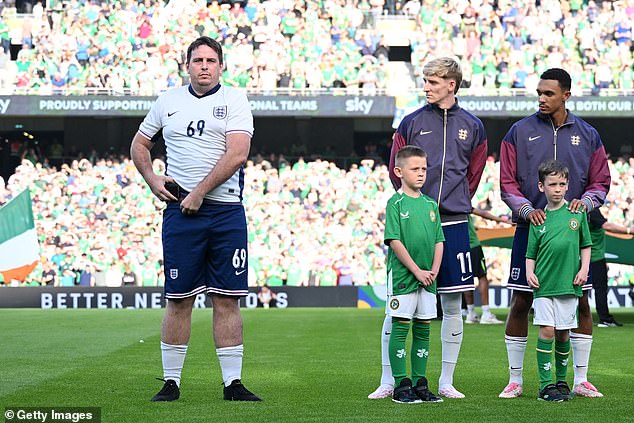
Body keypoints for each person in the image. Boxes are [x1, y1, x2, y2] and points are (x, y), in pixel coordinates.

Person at [130, 36, 261, 402]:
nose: (204, 66)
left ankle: (232, 384)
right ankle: (170, 382)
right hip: (180, 213)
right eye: (197, 60)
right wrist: (153, 179)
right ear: (186, 65)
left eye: (211, 60)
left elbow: (238, 153)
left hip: (225, 211)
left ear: (221, 65)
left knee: (226, 298)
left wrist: (200, 192)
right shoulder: (167, 101)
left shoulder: (234, 99)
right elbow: (139, 144)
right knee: (179, 299)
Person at [372, 57, 487, 400]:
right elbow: (397, 169)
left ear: (451, 84)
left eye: (433, 82)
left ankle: (445, 381)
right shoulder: (410, 122)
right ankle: (389, 381)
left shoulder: (474, 126)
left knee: (452, 305)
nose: (426, 88)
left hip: (453, 223)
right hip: (413, 224)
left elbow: (474, 174)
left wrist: (455, 201)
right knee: (398, 306)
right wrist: (415, 209)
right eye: (425, 81)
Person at [499, 68, 610, 399]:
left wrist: (587, 202)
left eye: (548, 93)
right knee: (521, 300)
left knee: (582, 302)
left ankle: (580, 379)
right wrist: (525, 210)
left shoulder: (588, 135)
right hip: (530, 230)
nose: (541, 99)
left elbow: (600, 182)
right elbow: (507, 182)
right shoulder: (519, 131)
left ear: (566, 95)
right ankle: (515, 379)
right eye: (539, 93)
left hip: (575, 233)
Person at [526, 160, 591, 401]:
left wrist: (584, 269)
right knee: (547, 331)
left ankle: (562, 382)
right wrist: (529, 272)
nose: (557, 188)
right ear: (541, 187)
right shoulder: (538, 218)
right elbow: (530, 253)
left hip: (569, 284)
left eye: (562, 184)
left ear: (567, 186)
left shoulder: (577, 213)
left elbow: (586, 245)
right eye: (552, 184)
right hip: (544, 286)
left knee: (564, 334)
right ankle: (546, 385)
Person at [384, 146, 444, 403]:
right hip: (403, 278)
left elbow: (439, 240)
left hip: (428, 279)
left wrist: (433, 271)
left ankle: (420, 382)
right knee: (400, 329)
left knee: (423, 329)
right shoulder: (395, 203)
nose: (421, 174)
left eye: (424, 169)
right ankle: (401, 385)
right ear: (399, 171)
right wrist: (417, 271)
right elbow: (394, 241)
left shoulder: (431, 204)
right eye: (415, 169)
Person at [588, 208, 633, 327]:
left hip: (588, 257)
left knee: (584, 289)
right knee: (600, 288)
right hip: (594, 257)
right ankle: (604, 319)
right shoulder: (592, 210)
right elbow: (607, 226)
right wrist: (628, 230)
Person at [463, 209, 505, 325]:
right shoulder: (463, 202)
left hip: (460, 247)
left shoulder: (447, 204)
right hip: (473, 246)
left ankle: (470, 313)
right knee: (482, 276)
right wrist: (501, 220)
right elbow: (484, 213)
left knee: (466, 278)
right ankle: (486, 313)